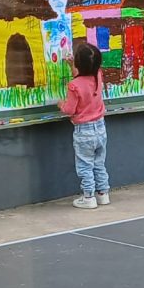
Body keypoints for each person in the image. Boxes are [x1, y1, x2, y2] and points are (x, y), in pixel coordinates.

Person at [58, 42, 110, 209]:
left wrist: (61, 105)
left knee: (85, 166)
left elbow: (70, 109)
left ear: (79, 64)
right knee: (99, 163)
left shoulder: (74, 86)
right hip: (100, 128)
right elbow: (83, 79)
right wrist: (73, 66)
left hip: (84, 132)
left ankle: (88, 197)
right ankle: (103, 194)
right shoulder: (98, 75)